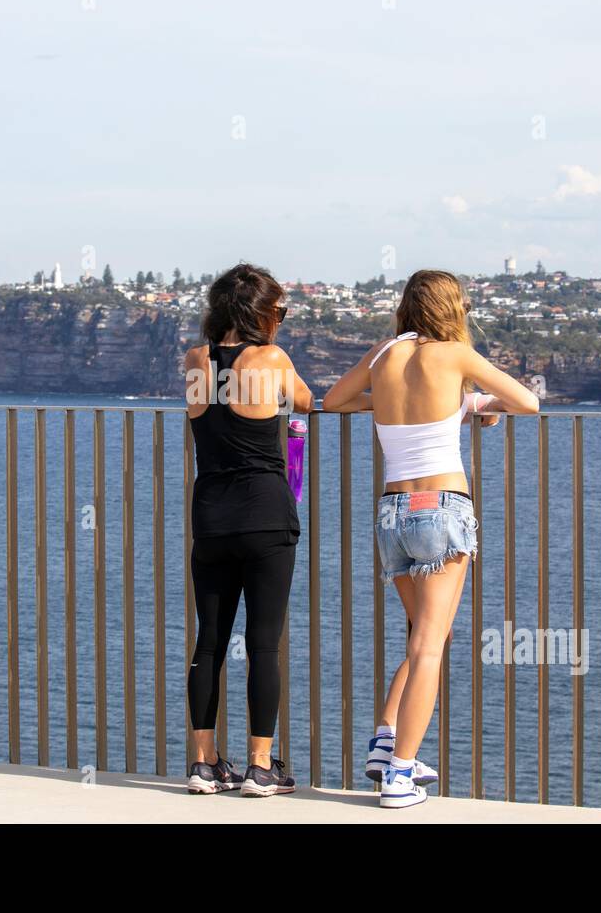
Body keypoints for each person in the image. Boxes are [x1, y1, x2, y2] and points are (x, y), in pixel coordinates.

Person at [323, 269, 539, 807]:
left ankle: (385, 741)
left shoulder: (383, 355)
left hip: (392, 512)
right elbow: (527, 402)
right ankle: (398, 776)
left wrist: (427, 407)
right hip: (441, 510)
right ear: (452, 309)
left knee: (424, 634)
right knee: (429, 646)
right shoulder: (455, 355)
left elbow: (332, 402)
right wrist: (470, 404)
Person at [184, 262, 314, 796]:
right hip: (264, 515)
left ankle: (202, 762)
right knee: (262, 644)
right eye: (279, 311)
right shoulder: (273, 358)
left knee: (208, 643)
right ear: (263, 313)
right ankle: (261, 765)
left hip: (211, 516)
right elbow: (304, 400)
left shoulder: (196, 359)